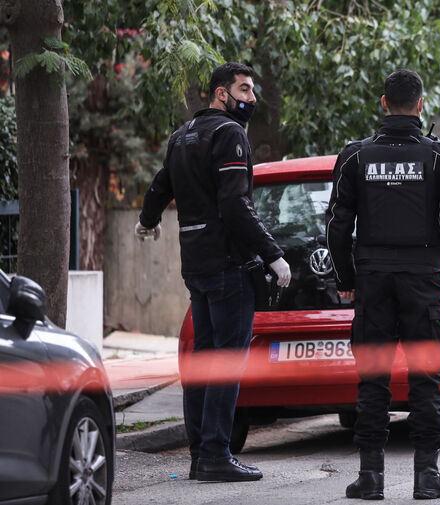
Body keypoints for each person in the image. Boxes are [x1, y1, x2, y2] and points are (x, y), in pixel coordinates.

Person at [134, 62, 291, 482]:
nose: (251, 98)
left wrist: (148, 220)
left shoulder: (182, 136)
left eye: (252, 90)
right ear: (221, 94)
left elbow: (161, 184)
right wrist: (274, 255)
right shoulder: (229, 134)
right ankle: (217, 455)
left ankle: (200, 457)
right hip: (227, 265)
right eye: (244, 89)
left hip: (197, 264)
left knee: (203, 364)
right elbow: (236, 206)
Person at [326, 69, 440, 500]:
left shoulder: (355, 156)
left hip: (372, 281)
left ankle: (370, 477)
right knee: (426, 377)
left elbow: (337, 226)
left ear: (383, 103)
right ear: (421, 104)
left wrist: (346, 278)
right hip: (422, 281)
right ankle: (426, 476)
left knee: (372, 378)